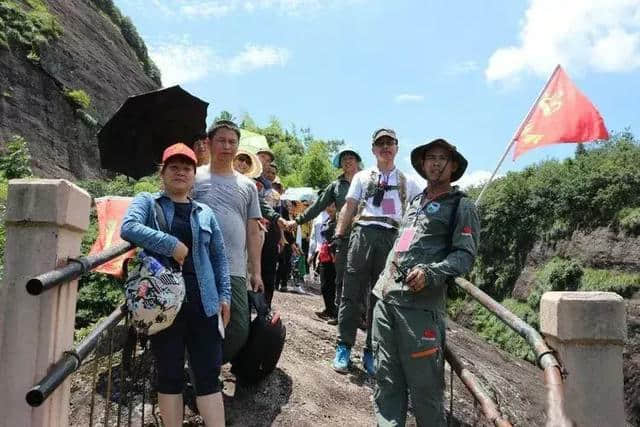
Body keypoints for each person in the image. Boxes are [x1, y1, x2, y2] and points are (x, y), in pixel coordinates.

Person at [371, 138, 480, 426]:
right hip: (386, 300)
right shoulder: (416, 201)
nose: (435, 162)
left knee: (426, 390)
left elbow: (464, 256)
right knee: (386, 379)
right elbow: (402, 243)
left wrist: (431, 273)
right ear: (422, 163)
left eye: (442, 158)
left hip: (420, 310)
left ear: (453, 165)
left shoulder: (461, 206)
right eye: (430, 157)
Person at [121, 143, 230, 427]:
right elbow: (128, 227)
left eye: (187, 168)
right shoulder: (148, 202)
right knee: (169, 374)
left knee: (208, 374)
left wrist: (225, 296)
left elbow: (219, 257)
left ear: (194, 175)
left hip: (204, 302)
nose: (180, 172)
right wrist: (171, 245)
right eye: (174, 167)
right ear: (163, 172)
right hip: (163, 305)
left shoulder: (205, 212)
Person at [332, 128, 422, 375]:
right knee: (351, 292)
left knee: (380, 298)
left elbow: (416, 218)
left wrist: (407, 250)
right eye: (380, 143)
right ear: (373, 149)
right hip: (363, 232)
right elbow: (349, 207)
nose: (385, 147)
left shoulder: (409, 182)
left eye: (389, 142)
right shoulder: (362, 177)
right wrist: (340, 235)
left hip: (392, 237)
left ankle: (371, 352)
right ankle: (343, 346)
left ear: (396, 147)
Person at [194, 119, 264, 364]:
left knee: (238, 328)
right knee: (197, 319)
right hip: (197, 264)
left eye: (232, 142)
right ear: (208, 143)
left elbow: (253, 231)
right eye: (221, 140)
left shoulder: (248, 186)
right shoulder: (194, 177)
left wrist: (256, 271)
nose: (227, 146)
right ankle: (199, 372)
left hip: (235, 267)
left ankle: (209, 365)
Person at [291, 147, 362, 324]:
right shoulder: (336, 186)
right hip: (343, 237)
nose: (348, 161)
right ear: (340, 164)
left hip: (365, 235)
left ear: (357, 161)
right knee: (341, 277)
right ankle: (340, 315)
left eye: (351, 157)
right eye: (344, 158)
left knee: (362, 277)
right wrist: (297, 220)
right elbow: (318, 206)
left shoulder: (368, 180)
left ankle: (361, 316)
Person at [308, 204, 338, 320]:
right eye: (328, 206)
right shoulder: (326, 220)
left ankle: (334, 312)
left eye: (332, 206)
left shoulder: (341, 222)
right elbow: (321, 239)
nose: (329, 208)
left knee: (334, 285)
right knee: (325, 285)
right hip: (325, 254)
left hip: (335, 256)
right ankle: (329, 309)